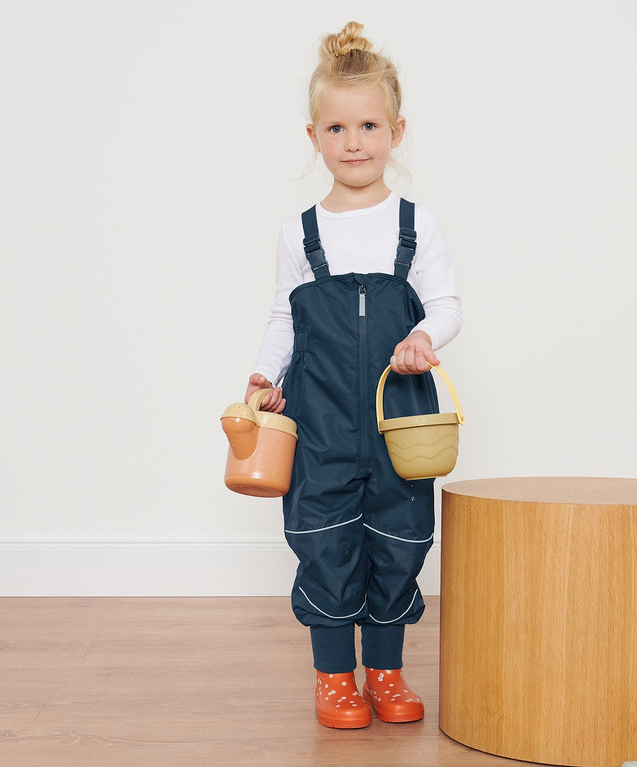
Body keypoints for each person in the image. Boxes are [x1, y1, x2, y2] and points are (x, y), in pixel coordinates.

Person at [245, 21, 461, 729]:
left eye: (369, 125)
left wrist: (425, 337)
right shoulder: (299, 231)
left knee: (399, 541)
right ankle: (336, 677)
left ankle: (387, 671)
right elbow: (284, 319)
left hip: (399, 416)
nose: (354, 142)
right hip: (321, 419)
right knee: (326, 540)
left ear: (397, 130)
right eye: (337, 128)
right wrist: (263, 376)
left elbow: (448, 303)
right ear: (313, 136)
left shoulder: (414, 222)